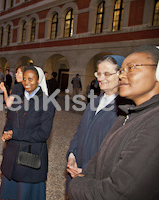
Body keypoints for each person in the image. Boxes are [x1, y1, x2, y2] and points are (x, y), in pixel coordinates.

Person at [68, 46, 159, 199]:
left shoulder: (149, 120)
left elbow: (120, 190)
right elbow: (97, 146)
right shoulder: (127, 113)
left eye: (131, 68)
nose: (123, 75)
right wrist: (73, 155)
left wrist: (77, 183)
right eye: (122, 70)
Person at [65, 55, 127, 192]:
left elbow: (115, 152)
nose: (100, 78)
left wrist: (87, 169)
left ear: (120, 74)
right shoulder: (94, 103)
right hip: (77, 170)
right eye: (98, 73)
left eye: (107, 74)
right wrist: (71, 156)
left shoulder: (124, 110)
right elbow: (79, 132)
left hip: (97, 178)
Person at [0, 66, 55, 200]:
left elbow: (43, 134)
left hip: (29, 160)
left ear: (38, 80)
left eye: (31, 79)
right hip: (12, 157)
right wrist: (6, 132)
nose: (27, 82)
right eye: (24, 79)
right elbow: (10, 120)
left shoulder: (47, 102)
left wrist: (15, 134)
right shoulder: (18, 98)